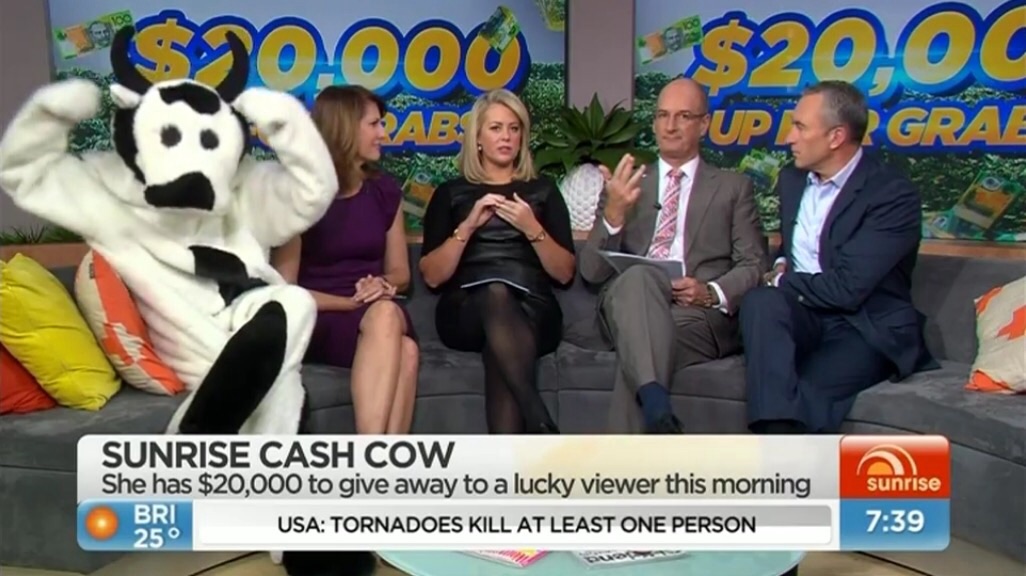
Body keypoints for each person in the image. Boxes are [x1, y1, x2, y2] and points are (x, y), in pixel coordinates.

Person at [740, 80, 936, 435]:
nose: (789, 137)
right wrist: (781, 263)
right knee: (760, 301)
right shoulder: (792, 179)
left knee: (804, 393)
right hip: (804, 315)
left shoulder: (892, 194)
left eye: (800, 127)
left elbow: (848, 288)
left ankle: (774, 447)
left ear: (836, 137)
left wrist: (782, 279)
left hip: (862, 325)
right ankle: (776, 443)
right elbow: (799, 246)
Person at [578, 78, 766, 434]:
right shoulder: (626, 186)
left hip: (694, 316)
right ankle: (655, 412)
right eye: (662, 115)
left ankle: (650, 409)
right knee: (638, 278)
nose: (670, 125)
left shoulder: (733, 188)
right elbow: (591, 271)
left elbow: (754, 265)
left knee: (639, 350)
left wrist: (710, 291)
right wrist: (614, 215)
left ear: (704, 124)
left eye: (683, 116)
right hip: (629, 303)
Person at [418, 89, 575, 434]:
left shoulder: (543, 190)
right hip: (465, 311)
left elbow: (564, 273)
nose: (506, 136)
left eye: (514, 128)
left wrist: (532, 228)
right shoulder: (451, 193)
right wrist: (468, 226)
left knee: (500, 344)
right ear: (477, 138)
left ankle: (522, 444)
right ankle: (538, 418)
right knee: (495, 293)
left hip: (533, 310)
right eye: (496, 128)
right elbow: (432, 276)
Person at [273, 85, 418, 435]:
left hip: (375, 313)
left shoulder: (385, 192)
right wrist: (351, 302)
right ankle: (374, 457)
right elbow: (283, 290)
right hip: (322, 315)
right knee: (403, 344)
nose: (383, 134)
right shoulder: (301, 196)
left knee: (397, 332)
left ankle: (373, 463)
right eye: (374, 124)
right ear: (346, 128)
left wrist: (383, 284)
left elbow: (401, 273)